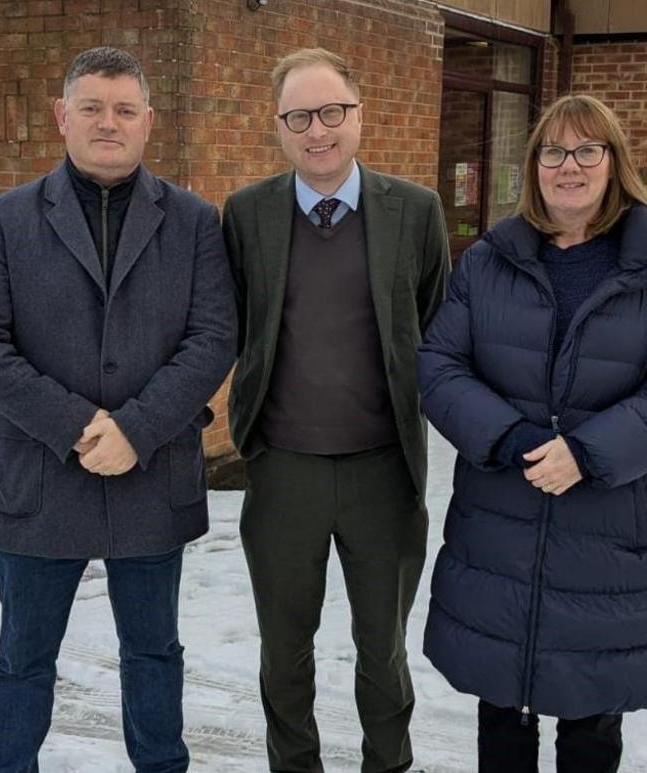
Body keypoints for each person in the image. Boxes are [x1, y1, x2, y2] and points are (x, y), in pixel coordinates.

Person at [0, 46, 237, 773]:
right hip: (40, 477)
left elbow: (214, 339)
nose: (108, 122)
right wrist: (79, 428)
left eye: (124, 109)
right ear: (62, 117)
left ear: (148, 123)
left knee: (153, 653)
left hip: (151, 476)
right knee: (22, 658)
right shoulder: (7, 218)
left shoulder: (196, 221)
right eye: (92, 107)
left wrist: (136, 430)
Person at [417, 94, 647, 772]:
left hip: (607, 531)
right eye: (554, 151)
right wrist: (510, 436)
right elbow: (438, 363)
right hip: (500, 520)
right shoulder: (490, 260)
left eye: (587, 150)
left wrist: (589, 451)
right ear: (534, 166)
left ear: (613, 163)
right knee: (501, 710)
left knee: (590, 718)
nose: (569, 166)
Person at [222, 48, 450, 773]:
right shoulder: (247, 213)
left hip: (383, 470)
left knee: (382, 650)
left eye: (331, 113)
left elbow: (436, 327)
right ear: (278, 127)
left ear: (359, 115)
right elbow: (231, 324)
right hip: (283, 468)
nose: (317, 130)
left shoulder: (415, 211)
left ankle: (389, 763)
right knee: (283, 651)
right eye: (299, 117)